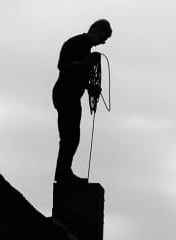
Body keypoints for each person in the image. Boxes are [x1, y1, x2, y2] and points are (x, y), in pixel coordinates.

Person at [53, 19, 112, 183]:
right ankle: (62, 174)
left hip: (72, 96)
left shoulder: (87, 49)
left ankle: (64, 172)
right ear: (94, 30)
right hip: (65, 94)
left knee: (73, 136)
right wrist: (85, 63)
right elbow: (63, 66)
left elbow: (78, 77)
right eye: (102, 37)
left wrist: (90, 87)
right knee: (69, 137)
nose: (102, 42)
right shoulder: (74, 43)